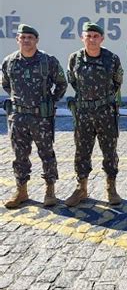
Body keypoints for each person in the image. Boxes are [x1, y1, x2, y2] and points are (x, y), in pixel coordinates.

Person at [2, 24, 67, 208]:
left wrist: (51, 101)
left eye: (30, 37)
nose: (26, 40)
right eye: (22, 37)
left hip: (41, 118)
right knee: (19, 155)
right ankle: (21, 191)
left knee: (47, 154)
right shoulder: (9, 62)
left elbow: (61, 83)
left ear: (36, 40)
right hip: (18, 117)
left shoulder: (48, 61)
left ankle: (50, 190)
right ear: (17, 40)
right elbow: (6, 84)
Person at [65, 22, 123, 207]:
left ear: (102, 39)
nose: (92, 39)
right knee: (82, 152)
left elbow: (117, 82)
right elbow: (73, 81)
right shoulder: (74, 59)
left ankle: (111, 188)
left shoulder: (111, 59)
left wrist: (101, 100)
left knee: (109, 151)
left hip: (105, 112)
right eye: (88, 36)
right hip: (83, 113)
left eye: (95, 36)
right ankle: (81, 188)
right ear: (82, 38)